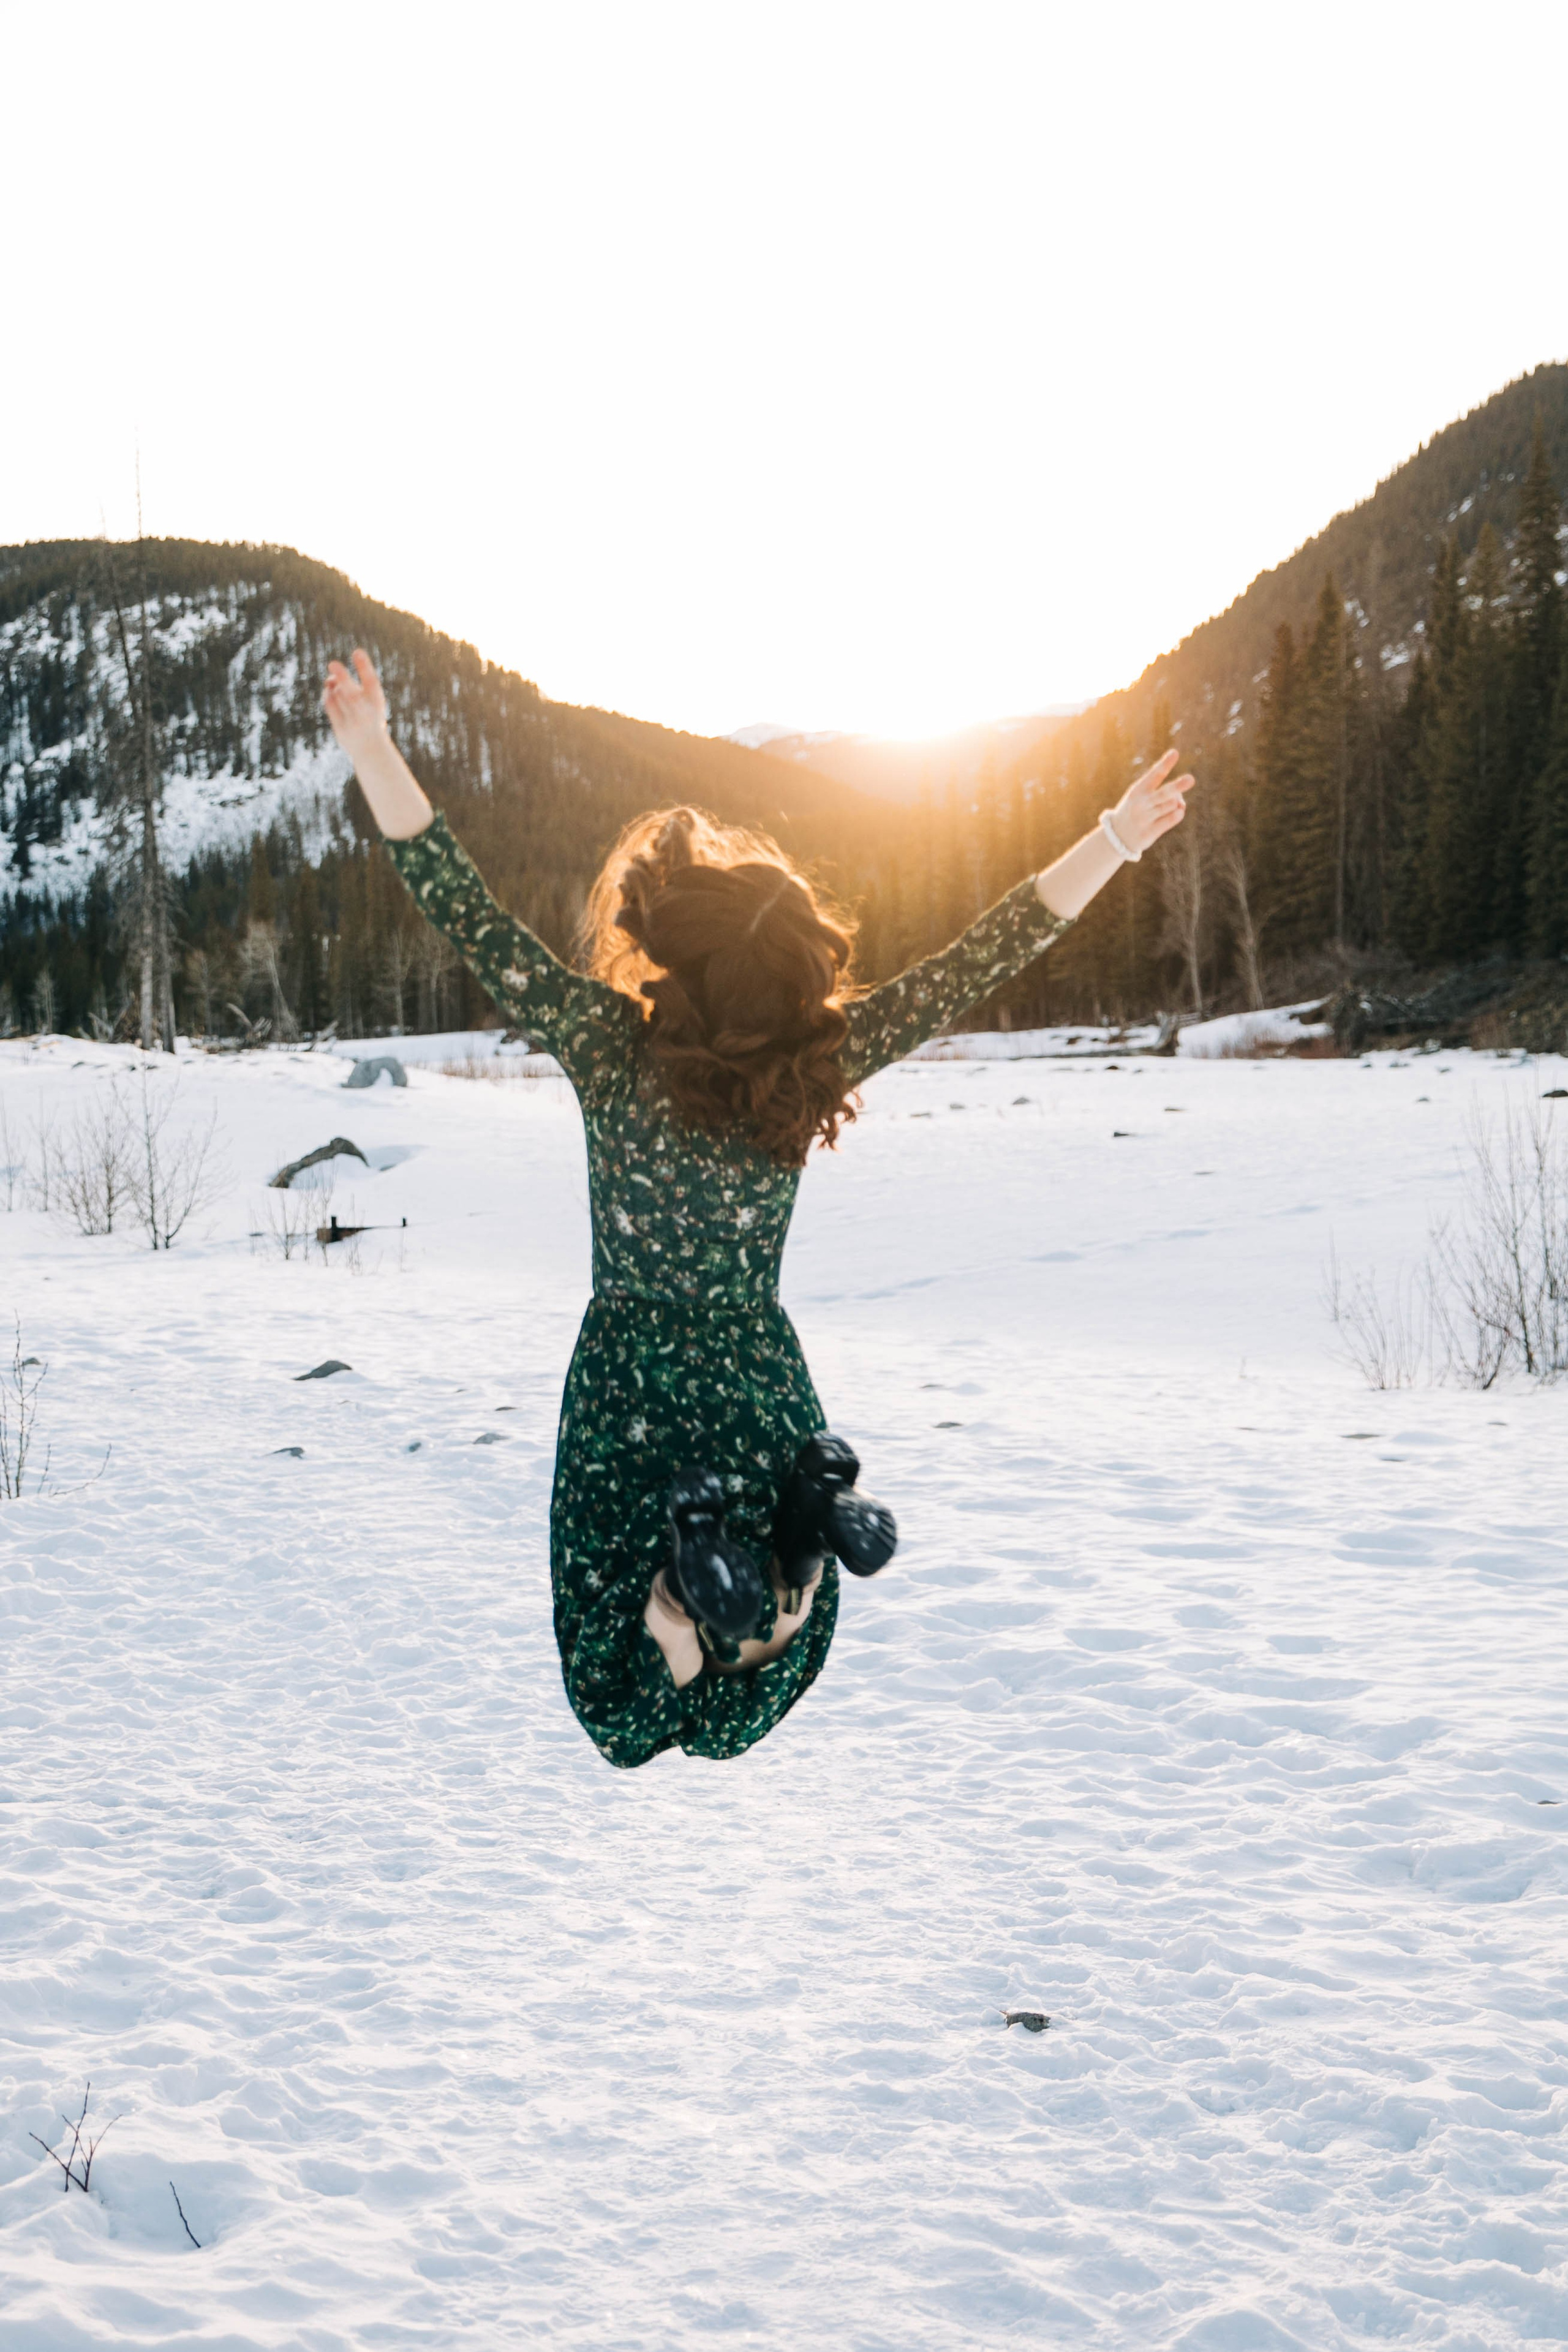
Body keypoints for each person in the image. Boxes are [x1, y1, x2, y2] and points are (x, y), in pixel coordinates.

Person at [323, 650, 1193, 1768]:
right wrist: (1117, 836)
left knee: (619, 1718)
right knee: (738, 1704)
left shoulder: (608, 1046)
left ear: (675, 953)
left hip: (630, 1371)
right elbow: (974, 963)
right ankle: (777, 1545)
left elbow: (470, 916)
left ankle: (701, 1596)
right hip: (755, 1375)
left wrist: (374, 750)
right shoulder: (809, 1062)